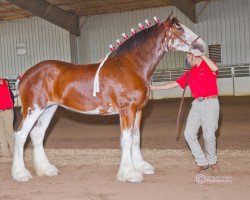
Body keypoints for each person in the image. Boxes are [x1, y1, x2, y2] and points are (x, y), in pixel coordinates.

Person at [150, 53, 220, 172]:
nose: (187, 60)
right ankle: (201, 162)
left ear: (195, 56)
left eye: (188, 57)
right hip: (196, 104)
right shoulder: (190, 73)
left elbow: (215, 68)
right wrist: (155, 88)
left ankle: (212, 161)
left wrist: (202, 55)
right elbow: (175, 83)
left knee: (209, 136)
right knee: (188, 134)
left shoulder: (207, 66)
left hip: (210, 103)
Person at [0, 77, 14, 157]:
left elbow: (3, 82)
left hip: (7, 111)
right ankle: (5, 153)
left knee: (9, 131)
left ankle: (14, 151)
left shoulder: (4, 81)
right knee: (1, 134)